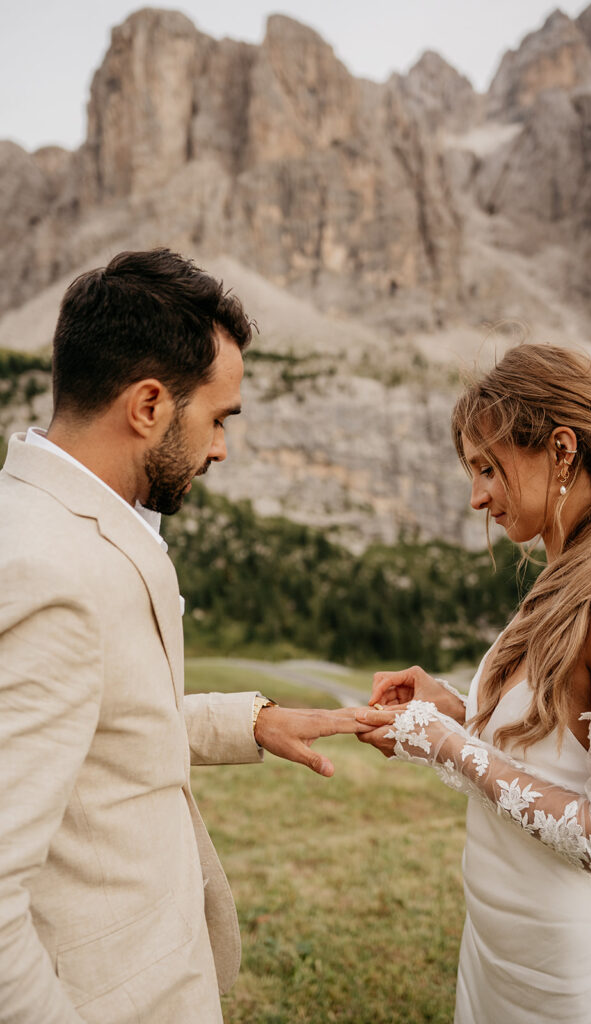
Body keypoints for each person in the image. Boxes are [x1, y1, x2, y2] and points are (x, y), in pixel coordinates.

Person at [0, 248, 368, 1024]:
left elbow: (102, 718)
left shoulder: (51, 519)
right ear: (147, 406)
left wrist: (253, 722)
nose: (221, 448)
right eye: (217, 418)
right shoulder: (48, 569)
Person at [356, 344, 591, 1024]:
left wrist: (448, 745)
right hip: (502, 957)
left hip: (578, 979)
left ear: (562, 451)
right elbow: (548, 751)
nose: (477, 496)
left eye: (488, 468)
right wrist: (453, 708)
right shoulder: (561, 581)